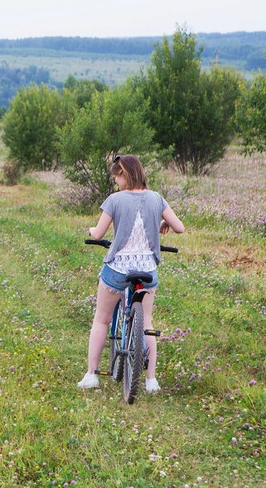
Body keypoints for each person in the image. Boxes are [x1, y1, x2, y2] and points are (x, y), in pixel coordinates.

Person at [78, 154, 185, 393]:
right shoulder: (157, 198)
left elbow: (98, 234)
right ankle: (151, 380)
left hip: (118, 268)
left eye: (116, 177)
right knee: (146, 322)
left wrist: (93, 229)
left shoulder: (115, 200)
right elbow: (179, 227)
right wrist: (160, 226)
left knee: (102, 319)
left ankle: (91, 375)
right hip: (147, 269)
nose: (116, 183)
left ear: (124, 174)